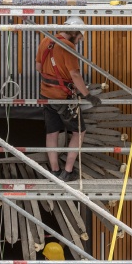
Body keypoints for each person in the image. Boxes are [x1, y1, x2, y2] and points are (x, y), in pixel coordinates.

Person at [35, 17, 102, 182]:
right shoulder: (68, 47)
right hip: (62, 97)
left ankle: (55, 171)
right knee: (79, 131)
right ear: (74, 32)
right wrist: (87, 95)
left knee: (52, 133)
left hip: (46, 95)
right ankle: (67, 172)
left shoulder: (46, 40)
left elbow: (38, 67)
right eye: (79, 37)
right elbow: (74, 74)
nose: (79, 41)